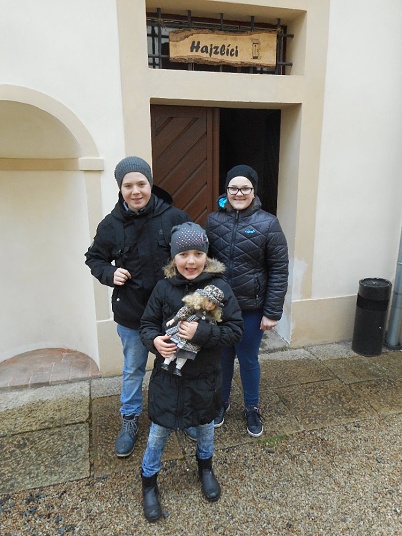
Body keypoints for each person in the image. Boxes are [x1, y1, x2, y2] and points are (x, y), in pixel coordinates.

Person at [85, 156, 191, 458]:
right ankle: (129, 419)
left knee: (176, 367)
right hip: (132, 315)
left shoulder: (174, 218)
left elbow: (196, 253)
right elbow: (94, 258)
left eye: (141, 184)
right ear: (120, 189)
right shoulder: (111, 225)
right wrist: (109, 273)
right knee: (133, 369)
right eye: (128, 185)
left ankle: (180, 414)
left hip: (171, 316)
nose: (135, 191)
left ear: (150, 184)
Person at [139, 222, 243, 522]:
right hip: (167, 378)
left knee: (205, 428)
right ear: (174, 258)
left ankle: (205, 468)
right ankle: (149, 482)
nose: (191, 261)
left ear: (206, 256)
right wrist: (154, 341)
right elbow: (147, 324)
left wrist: (202, 333)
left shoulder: (220, 288)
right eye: (183, 254)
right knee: (158, 433)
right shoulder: (163, 288)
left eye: (198, 253)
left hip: (204, 378)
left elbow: (235, 330)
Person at [205, 164, 288, 438]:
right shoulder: (213, 221)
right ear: (226, 190)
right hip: (220, 308)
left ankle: (252, 407)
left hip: (251, 308)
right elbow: (204, 262)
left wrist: (272, 312)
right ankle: (222, 402)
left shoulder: (268, 223)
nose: (238, 193)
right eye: (233, 188)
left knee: (248, 359)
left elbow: (279, 270)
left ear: (254, 191)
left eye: (245, 188)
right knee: (223, 358)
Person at [162, 285, 225, 376]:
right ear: (202, 298)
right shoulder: (195, 308)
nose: (211, 305)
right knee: (174, 347)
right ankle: (166, 363)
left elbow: (212, 327)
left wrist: (207, 332)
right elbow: (184, 311)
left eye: (214, 304)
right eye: (209, 301)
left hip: (195, 339)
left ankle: (178, 368)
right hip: (183, 331)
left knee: (185, 354)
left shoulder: (210, 317)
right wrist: (174, 319)